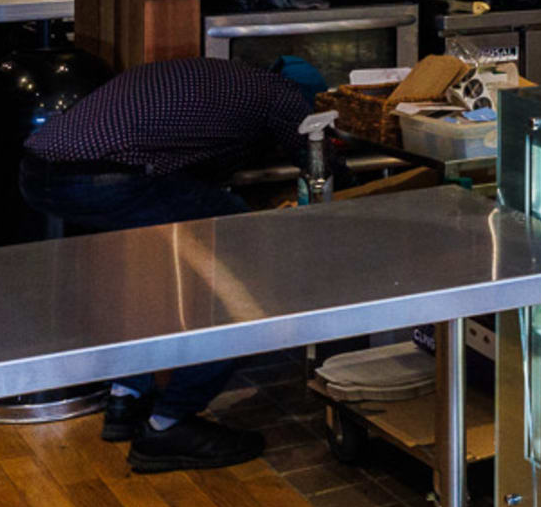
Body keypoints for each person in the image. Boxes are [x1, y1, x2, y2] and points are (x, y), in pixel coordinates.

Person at [21, 56, 324, 470]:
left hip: (39, 172)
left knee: (153, 276)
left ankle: (126, 398)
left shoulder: (222, 76)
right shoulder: (284, 96)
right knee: (243, 270)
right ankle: (169, 424)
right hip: (105, 179)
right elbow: (319, 163)